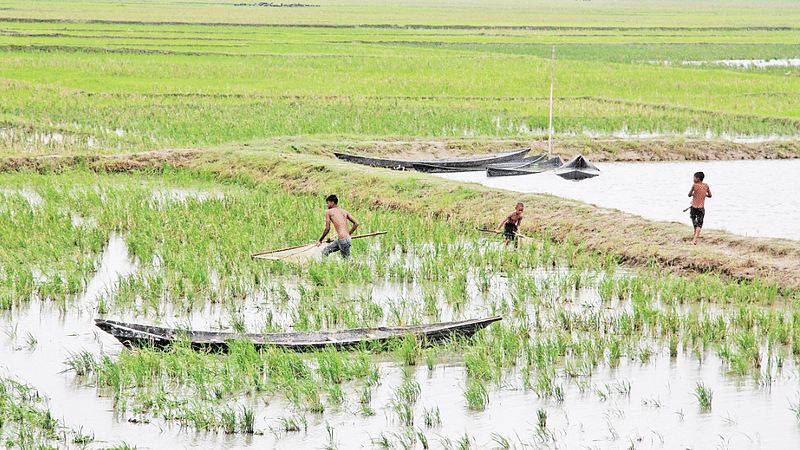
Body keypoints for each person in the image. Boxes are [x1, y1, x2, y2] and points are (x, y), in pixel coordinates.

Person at [316, 194, 359, 259]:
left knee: (347, 259)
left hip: (343, 240)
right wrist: (348, 234)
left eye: (328, 203)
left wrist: (320, 240)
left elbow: (327, 228)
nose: (326, 205)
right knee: (325, 251)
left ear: (332, 203)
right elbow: (356, 223)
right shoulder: (344, 211)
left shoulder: (329, 212)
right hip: (345, 239)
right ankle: (326, 267)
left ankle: (357, 267)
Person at [688, 171, 712, 245]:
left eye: (694, 178)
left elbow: (689, 194)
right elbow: (710, 195)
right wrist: (704, 195)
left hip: (694, 207)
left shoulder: (694, 185)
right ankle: (695, 237)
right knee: (700, 223)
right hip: (701, 208)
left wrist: (694, 194)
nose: (693, 179)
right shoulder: (706, 186)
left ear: (697, 179)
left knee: (693, 219)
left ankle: (695, 235)